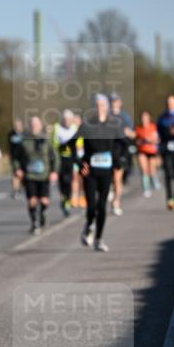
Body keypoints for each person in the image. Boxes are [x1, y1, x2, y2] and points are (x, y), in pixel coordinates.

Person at [78, 93, 125, 252]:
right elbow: (68, 146)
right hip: (90, 171)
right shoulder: (86, 125)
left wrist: (118, 159)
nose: (100, 108)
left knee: (102, 207)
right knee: (91, 207)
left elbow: (122, 143)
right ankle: (89, 225)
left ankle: (99, 239)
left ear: (107, 107)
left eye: (102, 105)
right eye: (96, 105)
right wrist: (79, 163)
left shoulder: (114, 125)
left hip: (106, 171)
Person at [13, 116, 57, 235]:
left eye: (36, 124)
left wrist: (54, 171)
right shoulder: (24, 141)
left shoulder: (46, 140)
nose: (34, 127)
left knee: (44, 201)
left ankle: (42, 213)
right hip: (30, 175)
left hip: (44, 175)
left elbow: (55, 157)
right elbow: (16, 157)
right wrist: (17, 169)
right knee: (32, 200)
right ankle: (34, 223)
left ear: (40, 126)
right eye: (32, 124)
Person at [109, 93, 135, 216]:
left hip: (120, 149)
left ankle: (116, 202)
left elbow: (132, 134)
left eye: (116, 101)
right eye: (112, 101)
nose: (114, 103)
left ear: (120, 102)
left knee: (117, 178)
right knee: (109, 177)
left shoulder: (125, 117)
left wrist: (126, 132)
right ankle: (110, 191)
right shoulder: (106, 115)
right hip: (107, 149)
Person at [52, 109, 79, 216]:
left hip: (71, 159)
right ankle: (63, 197)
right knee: (61, 181)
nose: (66, 121)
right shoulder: (56, 128)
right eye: (64, 119)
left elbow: (79, 143)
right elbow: (54, 144)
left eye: (68, 119)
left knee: (70, 180)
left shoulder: (74, 129)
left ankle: (67, 199)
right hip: (60, 159)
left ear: (72, 120)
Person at [134, 111, 161, 196]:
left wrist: (152, 140)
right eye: (142, 118)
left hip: (152, 151)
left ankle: (154, 181)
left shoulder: (154, 127)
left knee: (152, 169)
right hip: (142, 151)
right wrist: (141, 141)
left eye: (145, 118)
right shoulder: (138, 128)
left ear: (149, 118)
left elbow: (158, 140)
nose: (144, 119)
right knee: (144, 169)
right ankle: (146, 188)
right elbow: (135, 141)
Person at [8, 118, 25, 199]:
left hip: (24, 157)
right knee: (15, 174)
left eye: (18, 125)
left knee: (23, 174)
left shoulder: (25, 134)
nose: (17, 127)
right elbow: (11, 145)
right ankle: (15, 190)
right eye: (15, 125)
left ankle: (21, 186)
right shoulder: (11, 134)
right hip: (15, 157)